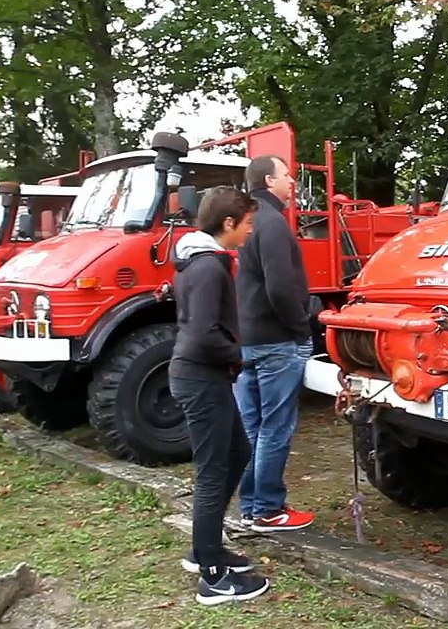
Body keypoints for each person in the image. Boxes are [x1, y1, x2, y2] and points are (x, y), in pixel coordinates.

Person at [169, 186, 270, 605]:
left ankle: (204, 547)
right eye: (247, 224)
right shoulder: (208, 267)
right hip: (200, 377)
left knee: (238, 454)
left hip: (204, 376)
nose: (249, 232)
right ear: (227, 223)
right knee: (213, 472)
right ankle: (212, 576)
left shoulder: (196, 262)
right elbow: (202, 334)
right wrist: (239, 357)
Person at [233, 154, 315, 532]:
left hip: (246, 340)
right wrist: (301, 327)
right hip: (277, 341)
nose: (292, 181)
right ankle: (268, 509)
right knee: (275, 428)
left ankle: (250, 506)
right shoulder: (273, 224)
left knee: (252, 427)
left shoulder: (246, 224)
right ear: (269, 181)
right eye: (287, 175)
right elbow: (280, 288)